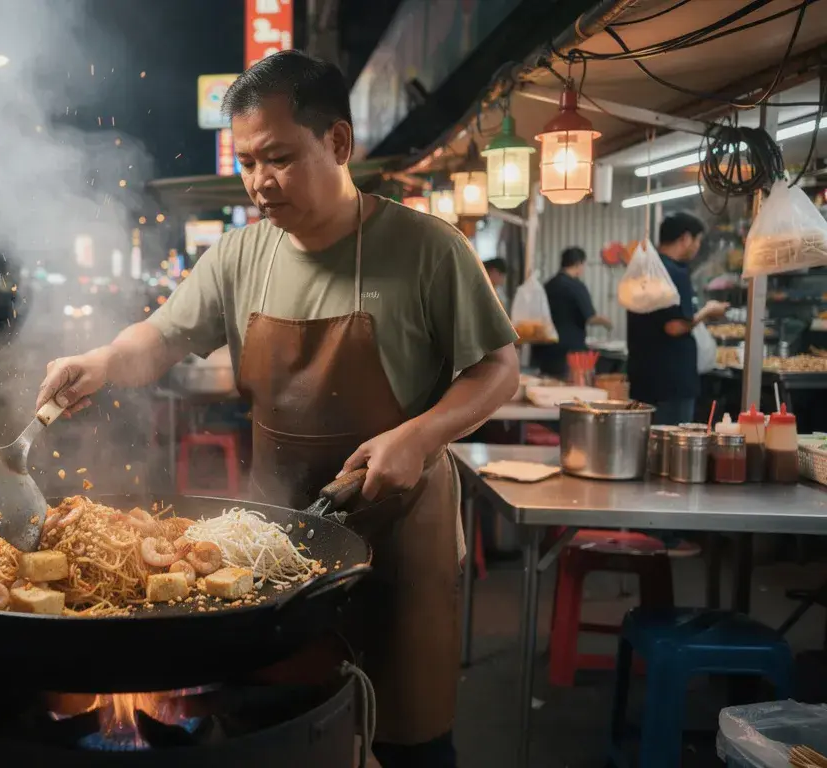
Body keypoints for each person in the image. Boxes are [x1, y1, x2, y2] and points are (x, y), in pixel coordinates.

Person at [36, 50, 519, 767]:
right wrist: (102, 361)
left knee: (412, 740)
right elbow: (162, 337)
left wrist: (419, 436)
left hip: (398, 537)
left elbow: (499, 370)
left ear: (339, 143)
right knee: (274, 732)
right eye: (248, 163)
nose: (260, 182)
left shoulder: (427, 250)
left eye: (280, 158)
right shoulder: (239, 256)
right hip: (273, 550)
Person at [627, 212, 727, 426]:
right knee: (669, 450)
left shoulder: (644, 271)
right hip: (671, 383)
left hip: (643, 378)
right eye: (698, 240)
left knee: (647, 445)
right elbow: (674, 326)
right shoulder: (674, 272)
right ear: (685, 238)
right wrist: (709, 310)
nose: (697, 246)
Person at [532, 247, 612, 378]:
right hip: (569, 352)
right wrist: (606, 322)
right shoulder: (576, 286)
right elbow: (590, 317)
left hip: (545, 349)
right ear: (578, 263)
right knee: (567, 390)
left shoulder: (548, 285)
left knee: (547, 387)